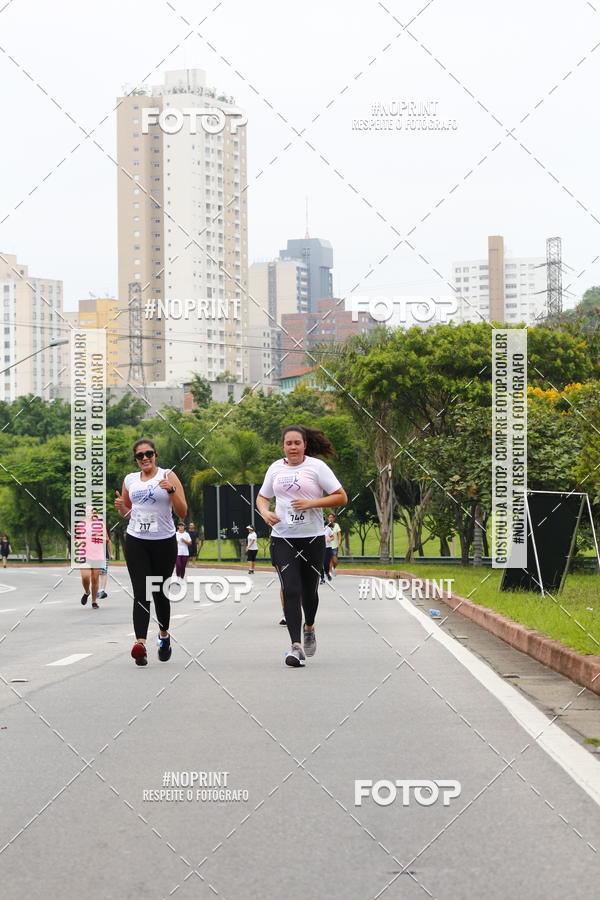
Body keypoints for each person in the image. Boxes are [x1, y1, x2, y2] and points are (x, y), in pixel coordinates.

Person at [256, 425, 347, 667]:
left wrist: (311, 503)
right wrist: (265, 512)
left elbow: (341, 496)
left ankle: (309, 627)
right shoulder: (275, 468)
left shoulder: (317, 467)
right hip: (282, 537)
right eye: (289, 443)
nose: (293, 447)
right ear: (283, 446)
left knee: (310, 591)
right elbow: (262, 497)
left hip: (312, 538)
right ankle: (295, 646)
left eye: (297, 442)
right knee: (291, 589)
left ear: (305, 445)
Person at [115, 439, 187, 667]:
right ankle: (141, 645)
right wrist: (121, 508)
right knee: (141, 592)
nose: (145, 458)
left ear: (156, 455)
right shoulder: (130, 480)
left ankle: (164, 636)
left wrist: (172, 490)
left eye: (149, 454)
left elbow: (183, 512)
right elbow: (128, 512)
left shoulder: (167, 476)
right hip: (136, 540)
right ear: (135, 459)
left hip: (163, 542)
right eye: (140, 455)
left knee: (159, 591)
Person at [78, 511, 108, 609]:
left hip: (97, 554)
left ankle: (94, 601)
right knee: (85, 577)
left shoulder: (100, 524)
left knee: (95, 579)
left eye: (93, 512)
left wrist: (99, 536)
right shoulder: (80, 524)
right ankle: (87, 592)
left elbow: (107, 539)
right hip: (84, 554)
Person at [97, 532, 113, 600]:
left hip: (103, 555)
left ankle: (102, 590)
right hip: (92, 556)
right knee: (95, 574)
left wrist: (110, 554)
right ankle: (97, 590)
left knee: (103, 573)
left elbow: (108, 541)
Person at [326, 513, 342, 577]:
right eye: (329, 517)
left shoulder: (336, 525)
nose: (331, 519)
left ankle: (334, 567)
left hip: (335, 545)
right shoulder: (326, 526)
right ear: (328, 518)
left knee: (335, 560)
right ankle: (330, 572)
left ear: (334, 518)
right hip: (328, 546)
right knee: (330, 559)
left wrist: (339, 540)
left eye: (332, 517)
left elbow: (339, 534)